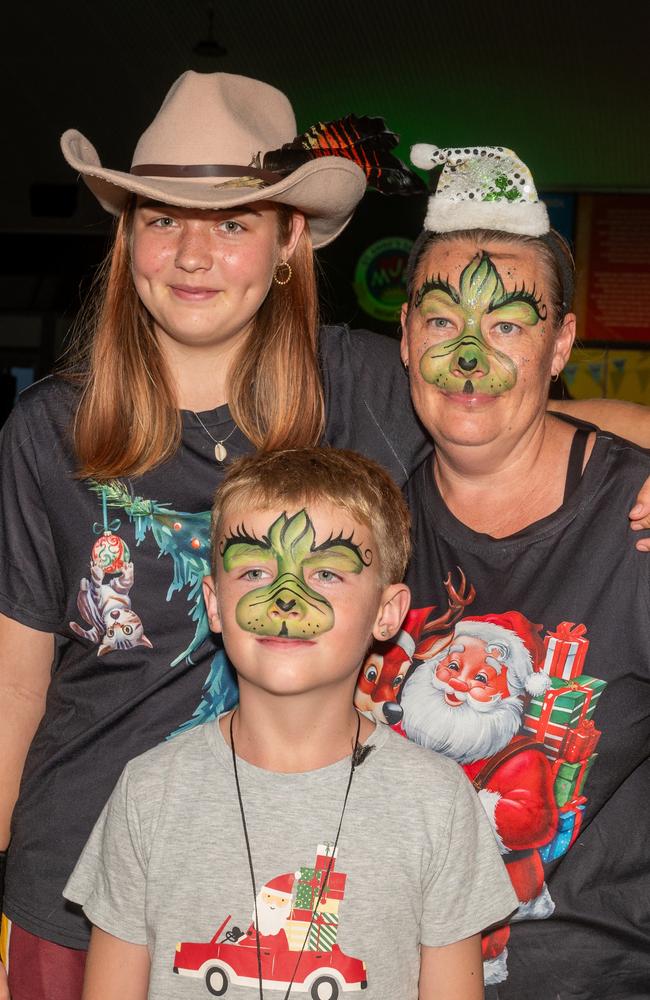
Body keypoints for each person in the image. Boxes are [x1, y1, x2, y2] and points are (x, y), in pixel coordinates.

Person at [0, 70, 648, 1000]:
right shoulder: (48, 432)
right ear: (126, 237)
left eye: (233, 223)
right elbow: (14, 694)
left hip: (283, 894)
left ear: (288, 242)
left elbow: (514, 395)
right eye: (161, 218)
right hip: (75, 889)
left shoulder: (356, 389)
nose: (192, 255)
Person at [63, 447, 517, 1000]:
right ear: (214, 603)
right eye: (254, 570)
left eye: (326, 573)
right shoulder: (148, 793)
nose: (285, 599)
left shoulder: (439, 802)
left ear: (387, 612)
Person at [369, 142, 650, 999]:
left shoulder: (638, 521)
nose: (468, 356)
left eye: (508, 325)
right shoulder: (367, 525)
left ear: (560, 343)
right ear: (408, 337)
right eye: (444, 321)